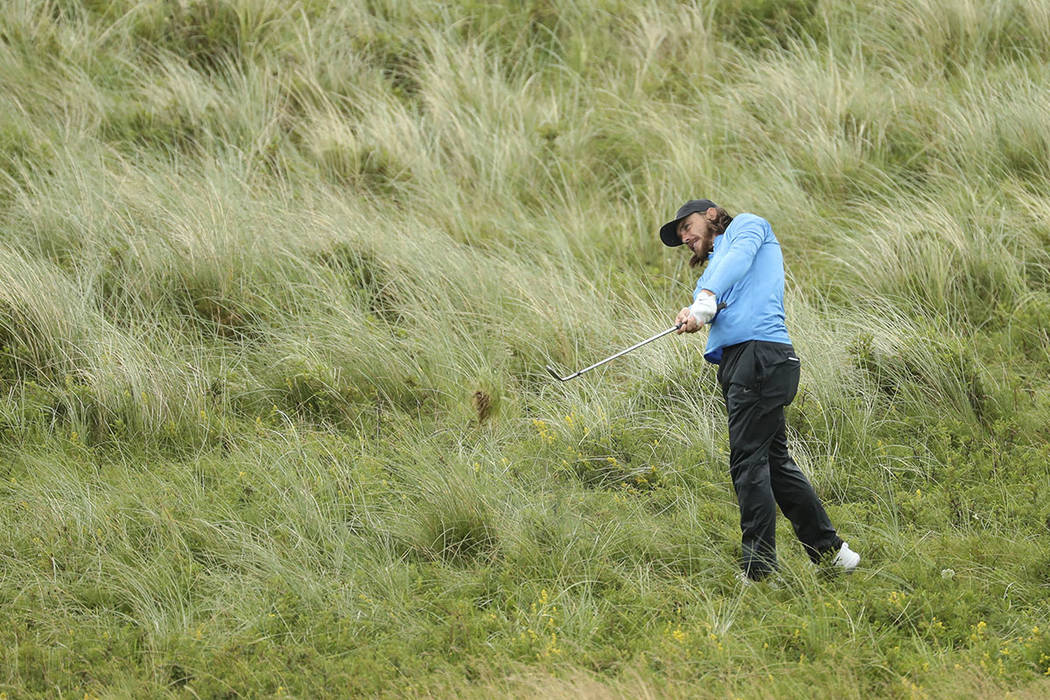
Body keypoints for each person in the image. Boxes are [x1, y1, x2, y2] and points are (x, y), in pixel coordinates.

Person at [659, 199, 860, 582]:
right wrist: (695, 311)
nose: (685, 237)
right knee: (774, 464)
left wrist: (704, 300)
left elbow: (737, 262)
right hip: (743, 363)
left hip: (761, 356)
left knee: (747, 462)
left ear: (712, 215)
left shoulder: (750, 227)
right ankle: (833, 554)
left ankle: (759, 570)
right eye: (681, 234)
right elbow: (715, 294)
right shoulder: (711, 274)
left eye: (687, 226)